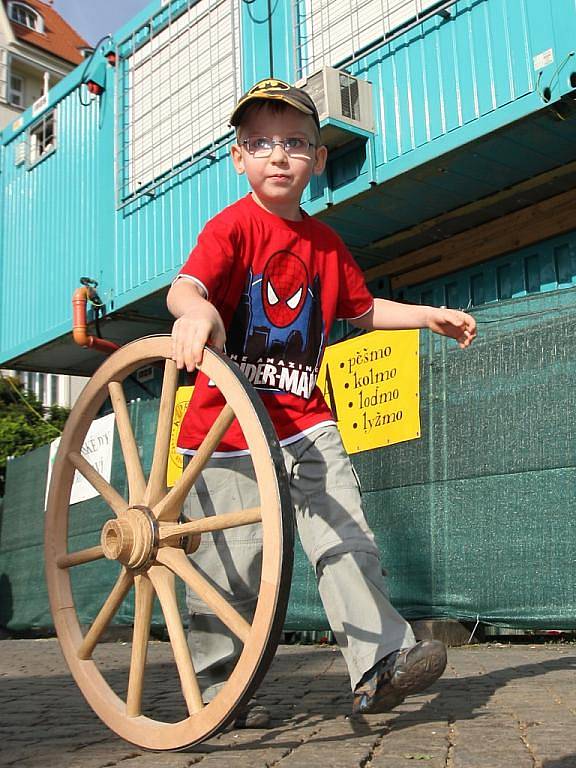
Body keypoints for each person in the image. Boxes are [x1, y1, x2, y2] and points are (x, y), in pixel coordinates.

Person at [167, 78, 477, 726]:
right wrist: (194, 313)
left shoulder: (328, 247)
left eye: (293, 143)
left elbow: (363, 312)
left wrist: (425, 315)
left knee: (349, 539)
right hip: (224, 433)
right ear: (238, 158)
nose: (277, 155)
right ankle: (218, 693)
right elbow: (187, 287)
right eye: (260, 143)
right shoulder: (230, 229)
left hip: (305, 424)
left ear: (317, 159)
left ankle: (379, 665)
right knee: (231, 571)